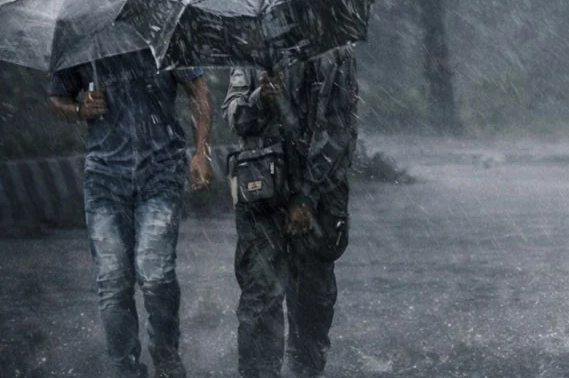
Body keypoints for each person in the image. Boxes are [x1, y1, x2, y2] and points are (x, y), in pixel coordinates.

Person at [49, 51, 213, 378]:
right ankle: (125, 370)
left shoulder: (161, 37)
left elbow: (199, 90)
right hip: (105, 177)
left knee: (155, 274)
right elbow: (56, 98)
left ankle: (166, 359)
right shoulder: (84, 43)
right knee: (113, 282)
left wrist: (201, 151)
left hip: (161, 171)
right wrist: (79, 109)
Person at [221, 45, 358, 378]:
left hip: (320, 194)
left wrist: (307, 195)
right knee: (259, 294)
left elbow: (340, 130)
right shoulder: (251, 49)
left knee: (311, 301)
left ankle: (304, 370)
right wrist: (260, 97)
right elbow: (235, 116)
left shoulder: (335, 51)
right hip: (263, 191)